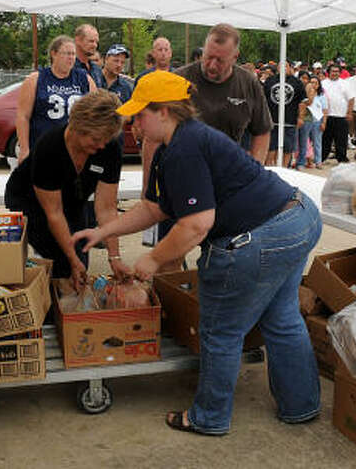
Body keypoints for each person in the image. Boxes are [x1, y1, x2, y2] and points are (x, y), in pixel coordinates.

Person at [72, 71, 322, 435]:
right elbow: (155, 208)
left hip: (263, 234)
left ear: (164, 111)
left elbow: (197, 224)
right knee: (281, 317)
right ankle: (300, 406)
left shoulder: (184, 148)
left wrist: (153, 259)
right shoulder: (175, 145)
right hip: (297, 218)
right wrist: (104, 230)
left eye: (140, 115)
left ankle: (209, 417)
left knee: (220, 330)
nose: (134, 124)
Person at [5, 91, 127, 285]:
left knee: (81, 255)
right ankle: (52, 306)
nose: (102, 145)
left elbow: (106, 209)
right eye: (96, 139)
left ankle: (68, 305)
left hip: (72, 198)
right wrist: (71, 259)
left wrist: (115, 257)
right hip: (30, 200)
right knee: (62, 262)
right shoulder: (50, 148)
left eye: (106, 139)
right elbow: (53, 213)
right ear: (77, 127)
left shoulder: (109, 148)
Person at [175, 23, 271, 162]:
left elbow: (262, 131)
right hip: (186, 165)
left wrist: (255, 170)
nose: (212, 65)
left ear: (235, 57)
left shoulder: (248, 83)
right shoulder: (180, 79)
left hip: (229, 169)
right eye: (208, 57)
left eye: (220, 60)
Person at [15, 35, 96, 162]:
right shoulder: (36, 79)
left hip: (75, 149)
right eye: (66, 53)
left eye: (73, 54)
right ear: (54, 54)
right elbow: (23, 116)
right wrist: (24, 149)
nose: (71, 58)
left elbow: (95, 114)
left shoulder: (84, 79)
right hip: (42, 147)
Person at [264, 60, 306, 167]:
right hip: (272, 120)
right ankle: (270, 167)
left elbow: (302, 102)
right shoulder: (270, 81)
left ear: (290, 67)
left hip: (289, 121)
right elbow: (263, 99)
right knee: (271, 147)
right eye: (280, 66)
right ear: (277, 68)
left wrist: (301, 117)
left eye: (285, 66)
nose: (283, 68)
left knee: (288, 148)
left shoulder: (297, 82)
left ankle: (284, 168)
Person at [320, 63, 350, 163]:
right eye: (333, 71)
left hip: (341, 116)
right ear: (328, 72)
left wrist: (349, 113)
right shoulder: (323, 83)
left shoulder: (345, 83)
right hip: (327, 116)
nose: (335, 73)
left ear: (340, 73)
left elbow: (351, 99)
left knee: (341, 140)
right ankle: (322, 157)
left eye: (337, 71)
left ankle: (341, 159)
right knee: (325, 139)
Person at [296, 76, 326, 170]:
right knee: (303, 142)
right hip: (306, 119)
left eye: (315, 82)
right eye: (311, 82)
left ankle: (318, 161)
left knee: (317, 142)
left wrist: (324, 122)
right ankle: (301, 162)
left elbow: (325, 110)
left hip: (317, 120)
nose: (313, 84)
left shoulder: (322, 95)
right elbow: (306, 103)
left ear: (318, 84)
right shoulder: (303, 92)